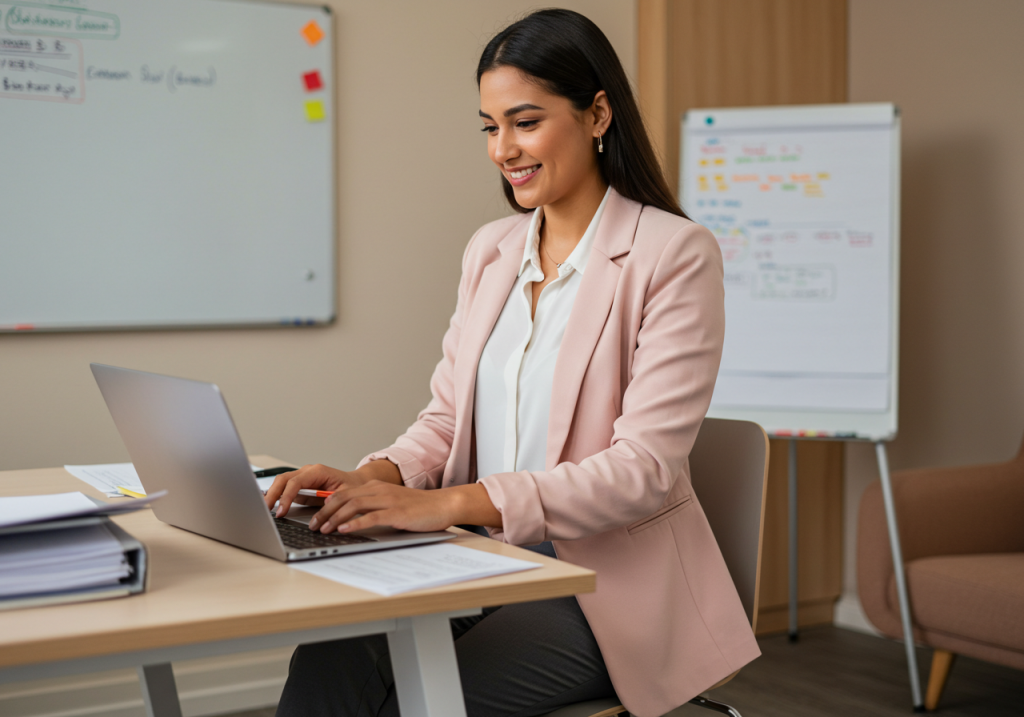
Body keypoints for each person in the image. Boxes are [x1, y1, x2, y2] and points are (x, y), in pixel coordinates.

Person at [265, 9, 759, 717]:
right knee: (334, 653)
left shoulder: (673, 254)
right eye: (490, 126)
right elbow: (446, 419)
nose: (503, 148)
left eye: (524, 122)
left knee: (419, 698)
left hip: (600, 587)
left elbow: (644, 470)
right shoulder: (491, 250)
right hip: (480, 561)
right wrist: (376, 477)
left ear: (597, 114)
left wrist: (446, 504)